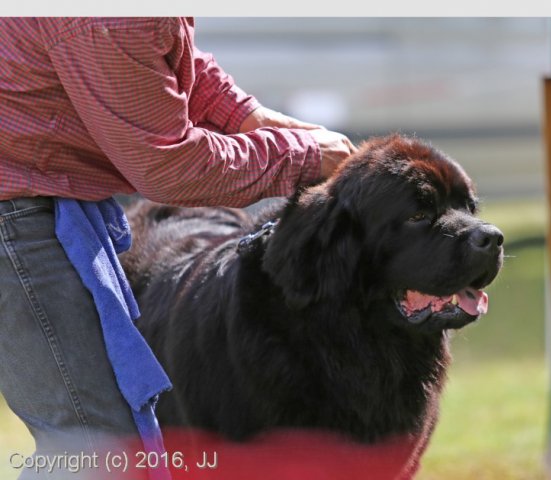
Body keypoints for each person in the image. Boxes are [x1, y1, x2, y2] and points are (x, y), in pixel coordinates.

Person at [0, 17, 356, 479]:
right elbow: (171, 165)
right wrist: (301, 155)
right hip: (14, 213)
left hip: (35, 199)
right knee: (95, 447)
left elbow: (158, 60)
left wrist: (250, 118)